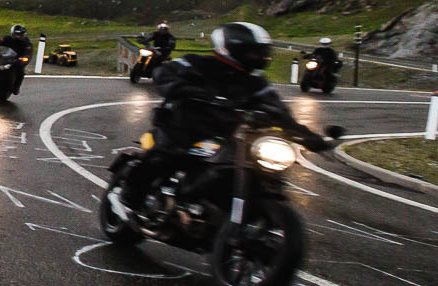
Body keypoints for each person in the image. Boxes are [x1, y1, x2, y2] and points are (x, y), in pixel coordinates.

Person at [111, 21, 334, 219]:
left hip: (224, 135)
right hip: (181, 127)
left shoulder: (257, 83)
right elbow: (165, 74)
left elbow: (280, 113)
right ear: (234, 49)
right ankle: (128, 200)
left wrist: (313, 140)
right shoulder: (198, 64)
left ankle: (219, 211)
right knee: (163, 157)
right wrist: (182, 88)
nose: (259, 57)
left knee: (252, 167)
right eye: (252, 52)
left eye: (261, 52)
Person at [0, 23, 32, 95]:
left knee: (21, 71)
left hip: (17, 60)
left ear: (23, 34)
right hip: (5, 58)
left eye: (20, 34)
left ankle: (16, 87)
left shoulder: (26, 42)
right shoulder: (6, 38)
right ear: (12, 33)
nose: (18, 36)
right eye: (16, 34)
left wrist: (25, 58)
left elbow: (29, 52)